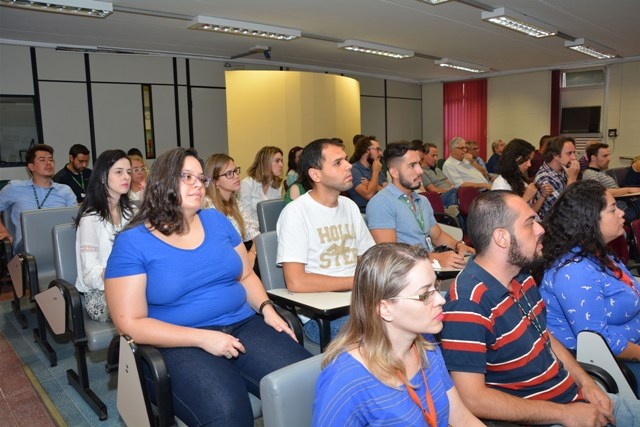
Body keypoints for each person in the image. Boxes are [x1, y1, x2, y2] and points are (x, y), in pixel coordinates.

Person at [105, 147, 311, 426]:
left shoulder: (216, 221)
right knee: (228, 412)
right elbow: (129, 324)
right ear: (162, 182)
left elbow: (246, 276)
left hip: (242, 324)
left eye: (200, 179)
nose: (197, 185)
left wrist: (267, 308)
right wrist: (202, 338)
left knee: (306, 381)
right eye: (186, 177)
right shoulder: (132, 242)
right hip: (176, 343)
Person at [440, 190, 640, 426]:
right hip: (549, 417)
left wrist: (586, 383)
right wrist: (566, 414)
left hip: (574, 400)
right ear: (502, 238)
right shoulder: (468, 302)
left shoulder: (521, 277)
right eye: (529, 223)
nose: (541, 229)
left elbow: (545, 335)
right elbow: (473, 399)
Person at [313, 243, 483, 427]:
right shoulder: (346, 380)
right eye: (425, 294)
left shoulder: (426, 345)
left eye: (436, 286)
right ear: (384, 308)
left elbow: (460, 418)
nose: (441, 299)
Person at [540, 180, 640, 394]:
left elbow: (630, 285)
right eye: (613, 210)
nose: (622, 214)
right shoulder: (574, 271)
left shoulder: (596, 252)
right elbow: (599, 341)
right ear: (590, 220)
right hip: (616, 367)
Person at [277, 138, 375, 344]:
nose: (349, 166)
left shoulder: (349, 206)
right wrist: (357, 282)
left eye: (346, 160)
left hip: (360, 303)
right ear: (315, 174)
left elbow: (370, 257)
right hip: (323, 317)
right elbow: (296, 281)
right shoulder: (296, 213)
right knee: (384, 331)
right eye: (338, 163)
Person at [367, 141, 474, 269]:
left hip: (428, 266)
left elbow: (438, 236)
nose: (420, 171)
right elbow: (390, 254)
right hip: (405, 273)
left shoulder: (422, 200)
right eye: (412, 165)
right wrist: (434, 259)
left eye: (419, 163)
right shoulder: (381, 203)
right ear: (394, 172)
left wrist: (458, 245)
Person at [74, 149, 134, 322]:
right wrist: (122, 272)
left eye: (128, 172)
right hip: (100, 294)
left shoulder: (132, 213)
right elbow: (90, 273)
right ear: (102, 177)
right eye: (119, 172)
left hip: (131, 285)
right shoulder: (91, 219)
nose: (127, 177)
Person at [0, 144, 76, 253]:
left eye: (51, 159)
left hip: (59, 240)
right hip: (27, 245)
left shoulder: (65, 191)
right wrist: (2, 230)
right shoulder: (15, 187)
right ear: (31, 166)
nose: (49, 163)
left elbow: (74, 219)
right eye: (42, 160)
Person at [203, 154, 260, 269]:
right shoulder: (207, 206)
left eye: (235, 171)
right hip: (222, 264)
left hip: (241, 257)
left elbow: (257, 237)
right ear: (216, 182)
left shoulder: (236, 204)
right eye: (229, 174)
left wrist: (252, 254)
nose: (236, 176)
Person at [492, 138, 553, 212]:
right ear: (515, 158)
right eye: (527, 159)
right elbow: (504, 217)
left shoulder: (519, 179)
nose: (529, 164)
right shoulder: (501, 184)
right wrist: (525, 198)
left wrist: (543, 196)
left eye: (530, 160)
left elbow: (531, 211)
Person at [582, 143, 640, 220]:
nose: (609, 159)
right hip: (621, 210)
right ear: (593, 158)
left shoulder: (601, 172)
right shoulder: (589, 173)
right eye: (605, 156)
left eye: (608, 155)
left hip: (625, 206)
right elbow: (597, 192)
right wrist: (628, 190)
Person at [534, 135, 580, 218]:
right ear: (555, 155)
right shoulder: (544, 177)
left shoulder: (564, 170)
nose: (574, 157)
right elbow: (564, 210)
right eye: (569, 153)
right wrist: (572, 179)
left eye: (574, 153)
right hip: (554, 225)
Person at [239, 146, 284, 224]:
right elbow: (245, 218)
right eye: (277, 161)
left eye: (281, 161)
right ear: (265, 163)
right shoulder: (247, 184)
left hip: (270, 228)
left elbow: (277, 213)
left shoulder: (277, 185)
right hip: (252, 231)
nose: (281, 165)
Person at [346, 136, 387, 213]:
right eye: (377, 149)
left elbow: (389, 191)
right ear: (366, 151)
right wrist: (375, 172)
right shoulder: (354, 170)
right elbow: (369, 195)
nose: (380, 153)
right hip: (365, 213)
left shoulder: (375, 167)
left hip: (383, 209)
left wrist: (371, 184)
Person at [420, 142, 458, 208]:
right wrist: (449, 190)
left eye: (436, 155)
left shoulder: (438, 169)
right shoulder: (422, 171)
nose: (435, 159)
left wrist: (453, 188)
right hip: (440, 196)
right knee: (454, 193)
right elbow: (433, 190)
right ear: (424, 155)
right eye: (433, 155)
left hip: (451, 193)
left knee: (463, 192)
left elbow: (450, 183)